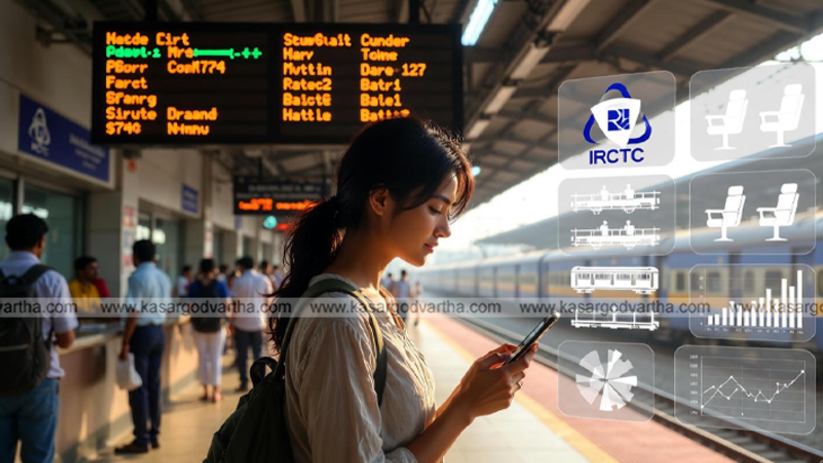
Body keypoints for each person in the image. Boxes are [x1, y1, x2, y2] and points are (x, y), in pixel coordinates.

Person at [268, 117, 538, 463]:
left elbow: (397, 436)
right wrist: (464, 408)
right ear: (381, 200)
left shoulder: (377, 300)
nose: (445, 229)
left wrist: (467, 392)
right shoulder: (340, 321)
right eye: (435, 209)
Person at [0, 214, 78, 463]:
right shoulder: (52, 279)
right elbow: (66, 339)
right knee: (38, 457)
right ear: (41, 242)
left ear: (7, 240)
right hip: (40, 378)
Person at [116, 240, 172, 454]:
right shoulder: (163, 277)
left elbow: (133, 312)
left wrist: (125, 342)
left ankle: (141, 439)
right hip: (158, 333)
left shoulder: (137, 277)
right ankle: (154, 434)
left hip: (142, 335)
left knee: (138, 387)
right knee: (154, 385)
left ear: (135, 256)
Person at [187, 258, 230, 403]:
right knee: (215, 358)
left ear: (200, 269)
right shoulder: (219, 285)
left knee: (203, 358)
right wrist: (226, 321)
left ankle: (206, 391)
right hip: (217, 327)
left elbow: (189, 306)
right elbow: (227, 304)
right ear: (214, 269)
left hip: (199, 327)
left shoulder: (194, 286)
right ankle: (216, 392)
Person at [229, 256, 272, 392]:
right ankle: (260, 384)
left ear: (242, 267)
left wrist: (232, 322)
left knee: (242, 355)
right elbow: (268, 302)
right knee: (259, 354)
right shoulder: (263, 279)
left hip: (241, 323)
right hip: (259, 322)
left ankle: (243, 382)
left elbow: (234, 304)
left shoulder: (238, 281)